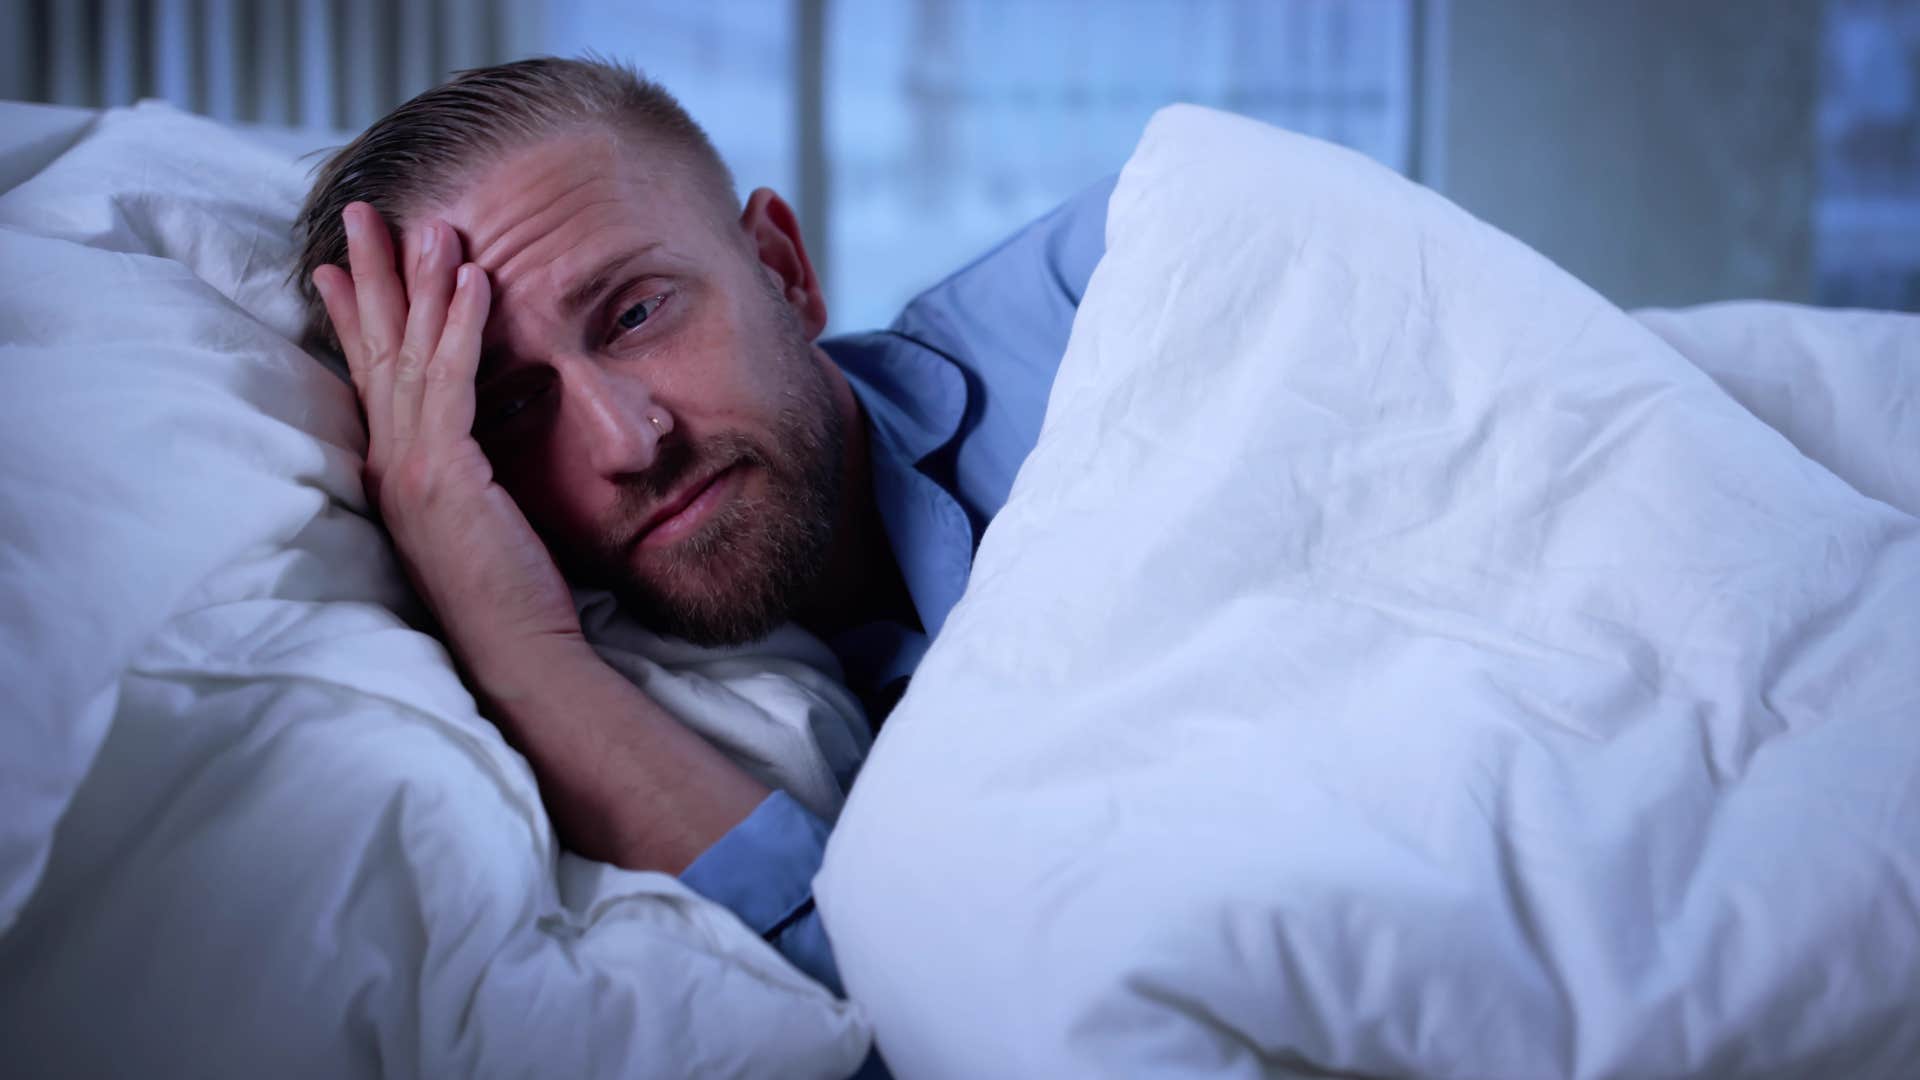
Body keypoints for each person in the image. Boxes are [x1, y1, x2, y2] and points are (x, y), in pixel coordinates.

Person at [295, 55, 1106, 1003]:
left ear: (784, 269)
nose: (627, 442)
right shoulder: (650, 710)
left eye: (636, 313)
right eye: (511, 407)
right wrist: (523, 656)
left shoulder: (1114, 296)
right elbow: (927, 1023)